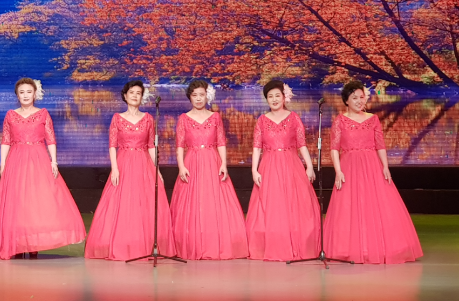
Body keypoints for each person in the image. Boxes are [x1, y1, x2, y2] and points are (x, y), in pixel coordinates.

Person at [324, 80, 423, 263]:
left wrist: (385, 166)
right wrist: (338, 171)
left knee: (377, 205)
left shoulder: (373, 119)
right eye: (355, 98)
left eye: (362, 97)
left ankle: (380, 248)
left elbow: (380, 145)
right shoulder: (339, 121)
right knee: (350, 207)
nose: (359, 101)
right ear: (346, 100)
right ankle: (352, 249)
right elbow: (334, 148)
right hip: (349, 166)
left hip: (371, 165)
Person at [0, 78, 86, 259]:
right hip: (16, 159)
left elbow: (50, 139)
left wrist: (54, 161)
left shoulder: (43, 114)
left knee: (35, 200)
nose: (25, 95)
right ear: (17, 95)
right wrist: (3, 163)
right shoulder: (10, 115)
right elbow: (5, 140)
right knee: (18, 201)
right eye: (22, 92)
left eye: (29, 92)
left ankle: (33, 244)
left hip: (38, 158)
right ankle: (18, 244)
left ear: (35, 94)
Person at [85, 80, 175, 260]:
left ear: (142, 97)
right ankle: (122, 244)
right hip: (124, 163)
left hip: (144, 164)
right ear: (125, 96)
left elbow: (151, 146)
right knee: (123, 204)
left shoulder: (148, 119)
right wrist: (114, 168)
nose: (135, 96)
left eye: (138, 93)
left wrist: (157, 169)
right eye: (132, 92)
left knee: (144, 204)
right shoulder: (117, 118)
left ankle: (144, 245)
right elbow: (112, 145)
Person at [170, 80, 248, 260]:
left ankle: (215, 243)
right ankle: (193, 243)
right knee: (193, 203)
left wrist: (223, 163)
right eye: (195, 95)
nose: (198, 99)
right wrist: (181, 166)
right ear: (190, 97)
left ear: (207, 96)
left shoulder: (215, 117)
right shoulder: (184, 118)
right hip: (192, 162)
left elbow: (221, 142)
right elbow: (180, 145)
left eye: (201, 95)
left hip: (213, 161)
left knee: (214, 202)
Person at [245, 80, 320, 261]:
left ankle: (297, 244)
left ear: (284, 97)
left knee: (294, 204)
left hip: (291, 164)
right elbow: (257, 147)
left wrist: (309, 166)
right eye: (270, 97)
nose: (274, 99)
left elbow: (301, 144)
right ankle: (274, 244)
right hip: (269, 165)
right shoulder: (262, 121)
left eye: (277, 95)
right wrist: (254, 170)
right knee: (272, 205)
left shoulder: (294, 118)